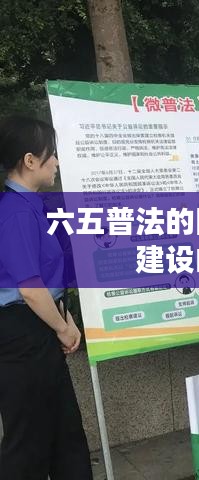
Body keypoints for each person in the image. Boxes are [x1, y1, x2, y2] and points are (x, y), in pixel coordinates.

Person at [0, 115, 93, 479]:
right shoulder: (14, 213)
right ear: (29, 160)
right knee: (30, 442)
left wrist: (62, 319)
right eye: (51, 154)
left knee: (63, 433)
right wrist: (64, 329)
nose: (56, 162)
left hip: (40, 326)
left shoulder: (30, 207)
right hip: (24, 334)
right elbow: (29, 287)